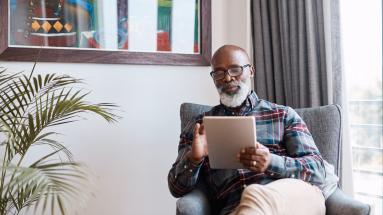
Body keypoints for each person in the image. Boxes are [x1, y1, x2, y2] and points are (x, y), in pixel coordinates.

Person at [168, 45, 337, 215]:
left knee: (254, 194)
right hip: (237, 209)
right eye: (219, 73)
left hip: (292, 201)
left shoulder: (283, 115)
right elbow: (176, 188)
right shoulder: (199, 126)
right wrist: (194, 159)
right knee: (249, 202)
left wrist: (271, 162)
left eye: (235, 69)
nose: (227, 78)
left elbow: (318, 171)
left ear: (251, 71)